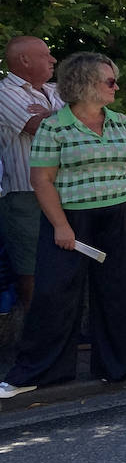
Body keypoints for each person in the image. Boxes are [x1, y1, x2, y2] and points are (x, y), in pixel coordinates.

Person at [0, 53, 126, 400]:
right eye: (109, 81)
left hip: (119, 214)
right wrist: (60, 226)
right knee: (54, 295)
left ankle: (117, 367)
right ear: (85, 85)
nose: (116, 87)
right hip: (70, 218)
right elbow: (42, 181)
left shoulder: (117, 122)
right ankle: (39, 372)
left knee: (120, 293)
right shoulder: (54, 127)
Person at [0, 35, 61, 312]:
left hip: (64, 192)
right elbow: (39, 128)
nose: (53, 59)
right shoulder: (4, 93)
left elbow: (94, 118)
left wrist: (53, 114)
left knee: (63, 262)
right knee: (32, 267)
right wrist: (66, 115)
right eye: (45, 55)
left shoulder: (56, 90)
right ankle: (38, 337)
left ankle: (60, 330)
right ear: (24, 60)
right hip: (26, 194)